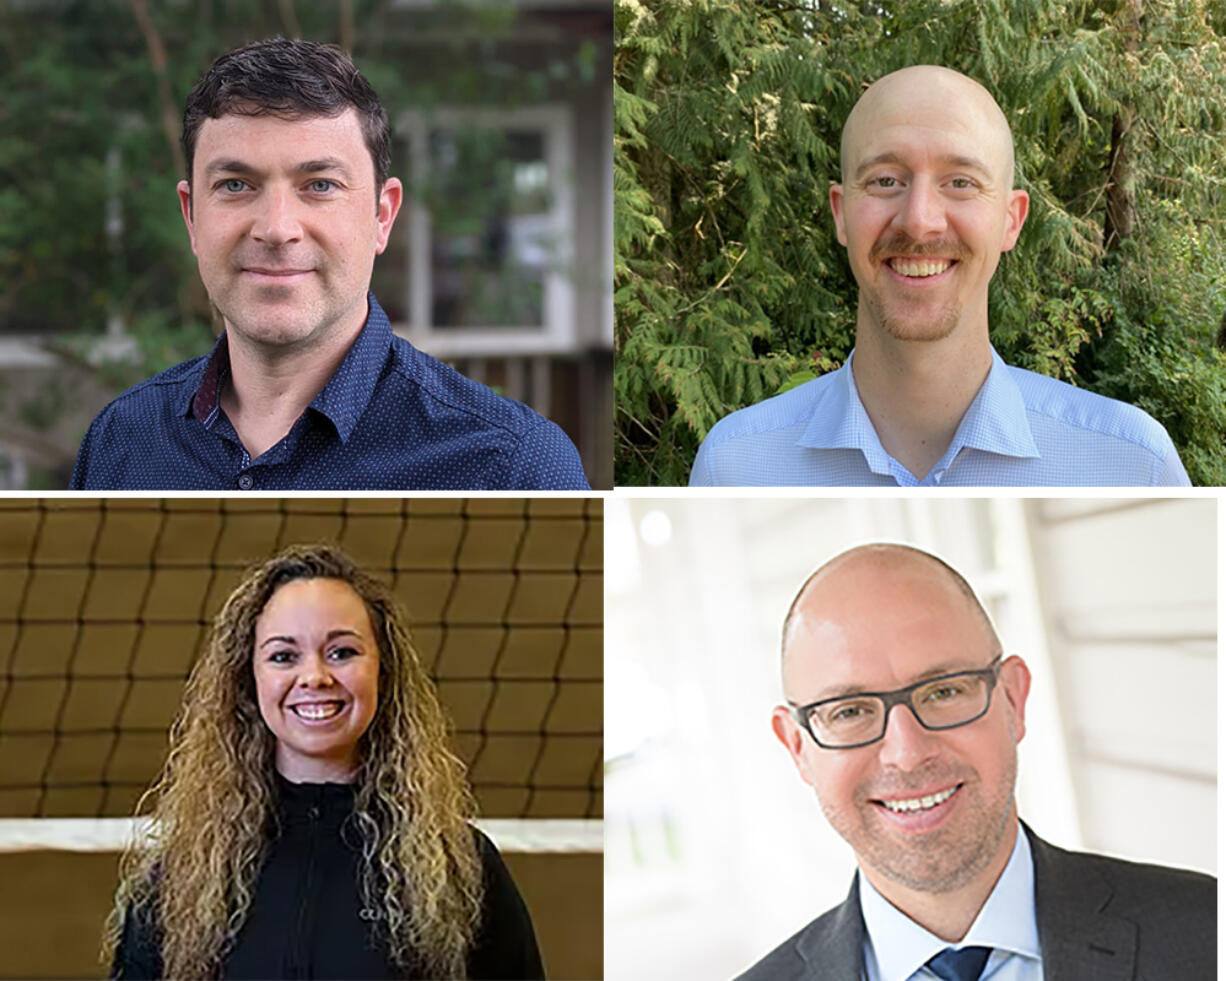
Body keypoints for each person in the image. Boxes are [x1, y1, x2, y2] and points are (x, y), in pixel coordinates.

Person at [70, 38, 588, 491]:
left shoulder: (513, 467)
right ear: (190, 216)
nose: (276, 228)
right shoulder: (120, 442)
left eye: (319, 185)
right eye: (235, 185)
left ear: (382, 216)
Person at [691, 65, 1189, 487]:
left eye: (961, 183)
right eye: (886, 180)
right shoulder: (733, 469)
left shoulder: (1132, 467)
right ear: (841, 215)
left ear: (1011, 221)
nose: (919, 219)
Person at [740, 543, 1213, 980]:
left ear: (1013, 699)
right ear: (797, 748)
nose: (907, 754)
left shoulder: (1207, 932)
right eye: (850, 711)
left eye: (944, 692)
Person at [104, 544, 545, 980]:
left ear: (382, 670)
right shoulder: (181, 874)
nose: (314, 677)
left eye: (342, 652)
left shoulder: (459, 866)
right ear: (248, 677)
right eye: (283, 656)